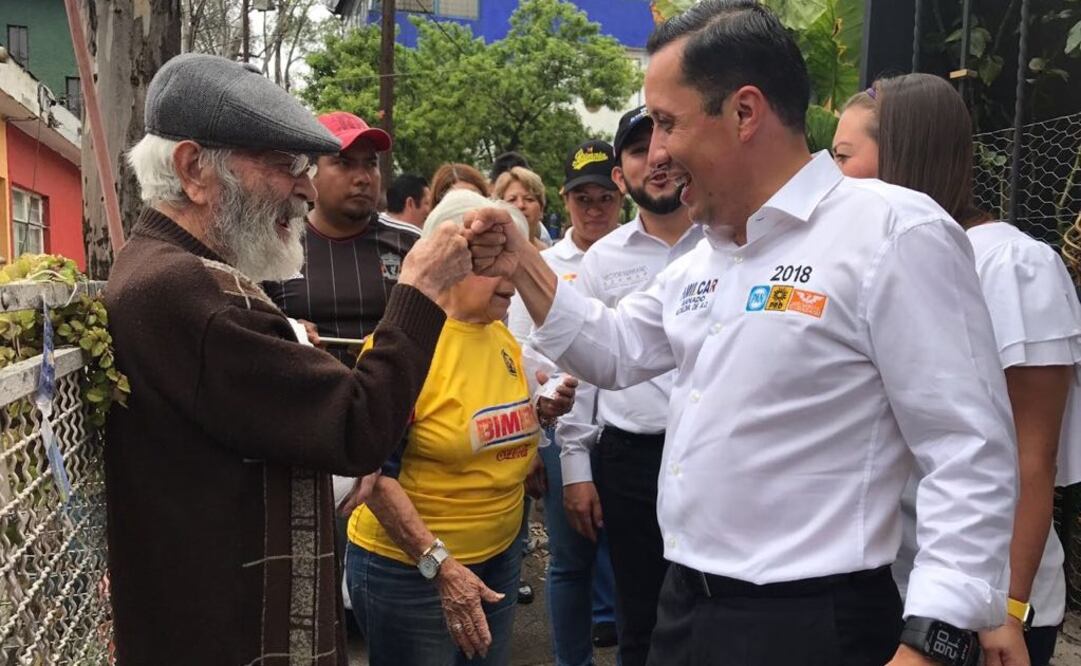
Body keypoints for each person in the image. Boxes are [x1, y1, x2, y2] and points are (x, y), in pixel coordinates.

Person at [467, 3, 1019, 665]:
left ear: (744, 111)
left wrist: (935, 637)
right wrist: (523, 261)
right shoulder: (707, 257)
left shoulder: (892, 233)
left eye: (667, 124)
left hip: (811, 624)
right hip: (686, 607)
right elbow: (613, 351)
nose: (658, 156)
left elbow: (967, 449)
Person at [105, 53, 473, 665]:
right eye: (284, 164)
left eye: (305, 166)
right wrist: (421, 291)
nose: (305, 188)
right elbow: (357, 428)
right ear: (193, 168)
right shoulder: (187, 292)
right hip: (226, 635)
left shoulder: (166, 273)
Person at [836, 72, 1081, 666]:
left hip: (987, 605)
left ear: (902, 153)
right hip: (897, 584)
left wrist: (1008, 610)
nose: (829, 173)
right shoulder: (870, 258)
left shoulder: (1014, 265)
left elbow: (1031, 457)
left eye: (843, 155)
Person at [344, 189, 577, 665]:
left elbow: (487, 427)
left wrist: (537, 418)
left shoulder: (502, 338)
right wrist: (441, 566)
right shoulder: (406, 347)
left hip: (499, 559)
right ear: (452, 260)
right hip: (413, 572)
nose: (512, 274)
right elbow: (374, 474)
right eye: (496, 260)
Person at [261, 111, 421, 618]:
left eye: (370, 164)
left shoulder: (408, 244)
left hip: (408, 431)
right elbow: (253, 331)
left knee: (402, 576)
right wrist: (287, 330)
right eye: (344, 162)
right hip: (317, 434)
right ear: (311, 172)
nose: (363, 176)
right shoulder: (274, 245)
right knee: (318, 581)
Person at [558, 105, 701, 666]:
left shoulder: (726, 241)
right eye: (639, 152)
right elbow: (588, 366)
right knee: (637, 614)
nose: (657, 161)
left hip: (708, 451)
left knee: (710, 609)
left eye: (665, 145)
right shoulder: (603, 259)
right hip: (631, 460)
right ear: (621, 175)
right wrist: (576, 468)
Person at [506, 139, 622, 665]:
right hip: (561, 429)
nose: (594, 209)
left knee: (630, 562)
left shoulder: (636, 255)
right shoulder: (544, 264)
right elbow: (519, 348)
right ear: (565, 200)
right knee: (570, 562)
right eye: (583, 199)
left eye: (604, 197)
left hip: (626, 433)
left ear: (621, 194)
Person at [493, 166, 551, 250]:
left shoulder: (551, 255)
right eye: (512, 200)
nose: (520, 205)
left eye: (529, 199)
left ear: (541, 210)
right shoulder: (489, 255)